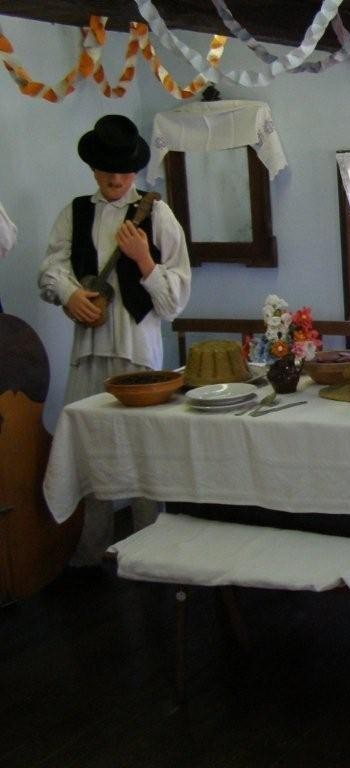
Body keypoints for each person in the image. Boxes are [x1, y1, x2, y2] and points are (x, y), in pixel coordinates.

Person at [38, 114, 191, 565]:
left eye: (124, 171)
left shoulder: (157, 214)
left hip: (138, 351)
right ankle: (90, 550)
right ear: (93, 169)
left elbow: (175, 300)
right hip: (89, 351)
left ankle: (151, 550)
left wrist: (144, 260)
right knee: (92, 450)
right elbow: (51, 270)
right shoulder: (75, 213)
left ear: (134, 170)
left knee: (144, 452)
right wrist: (70, 295)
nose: (116, 179)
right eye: (107, 170)